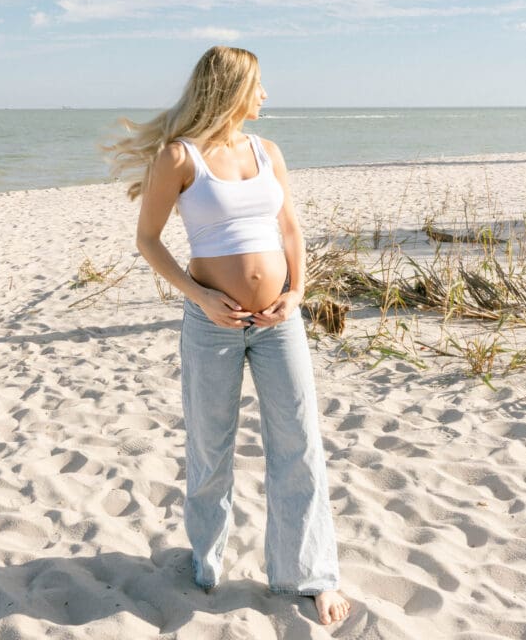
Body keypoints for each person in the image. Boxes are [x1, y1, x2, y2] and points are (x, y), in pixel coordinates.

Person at [107, 46, 350, 626]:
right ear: (232, 89)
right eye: (259, 85)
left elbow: (290, 228)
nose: (266, 95)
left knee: (299, 445)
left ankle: (309, 574)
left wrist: (296, 291)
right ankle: (207, 563)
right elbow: (149, 240)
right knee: (210, 448)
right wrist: (201, 297)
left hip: (279, 323)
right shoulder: (179, 156)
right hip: (211, 326)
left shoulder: (268, 152)